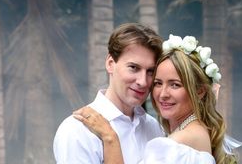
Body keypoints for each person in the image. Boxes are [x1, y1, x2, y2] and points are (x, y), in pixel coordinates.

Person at [74, 34, 240, 164]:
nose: (163, 94)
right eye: (158, 83)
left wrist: (110, 138)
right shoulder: (196, 133)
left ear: (200, 92)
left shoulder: (176, 143)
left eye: (175, 85)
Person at [53, 23, 164, 164]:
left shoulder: (153, 127)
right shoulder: (76, 130)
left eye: (150, 71)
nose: (143, 82)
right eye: (133, 68)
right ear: (110, 63)